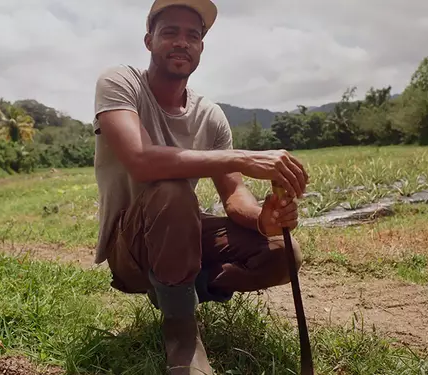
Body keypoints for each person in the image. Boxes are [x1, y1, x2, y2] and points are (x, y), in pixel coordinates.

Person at [91, 0, 308, 373]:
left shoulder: (209, 115)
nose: (182, 42)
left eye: (193, 35)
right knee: (172, 191)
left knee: (282, 252)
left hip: (179, 233)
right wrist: (242, 157)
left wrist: (264, 218)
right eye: (170, 32)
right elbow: (143, 161)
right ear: (149, 41)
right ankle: (181, 331)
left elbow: (234, 195)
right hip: (130, 248)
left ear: (201, 49)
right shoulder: (120, 82)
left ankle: (181, 291)